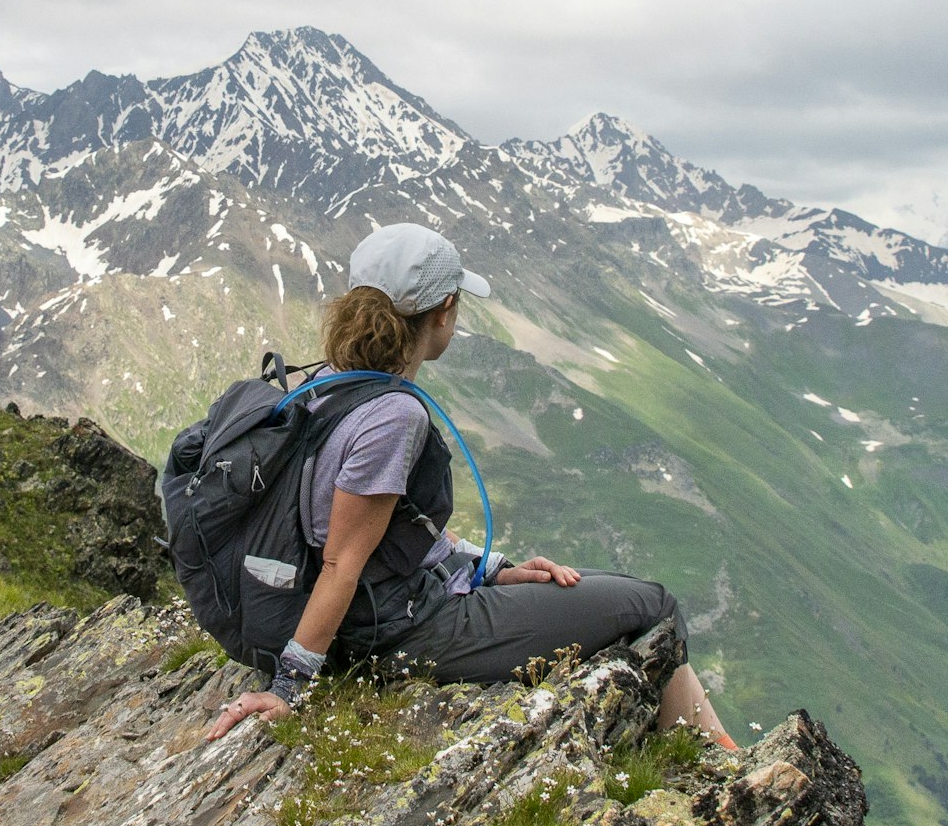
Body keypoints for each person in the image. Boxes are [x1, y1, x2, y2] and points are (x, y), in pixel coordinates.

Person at [204, 221, 739, 753]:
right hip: (406, 633)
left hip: (392, 614)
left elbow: (390, 535)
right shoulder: (392, 415)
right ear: (443, 311)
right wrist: (289, 688)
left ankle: (720, 751)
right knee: (654, 606)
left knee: (616, 592)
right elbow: (344, 562)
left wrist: (493, 570)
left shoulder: (328, 385)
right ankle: (724, 763)